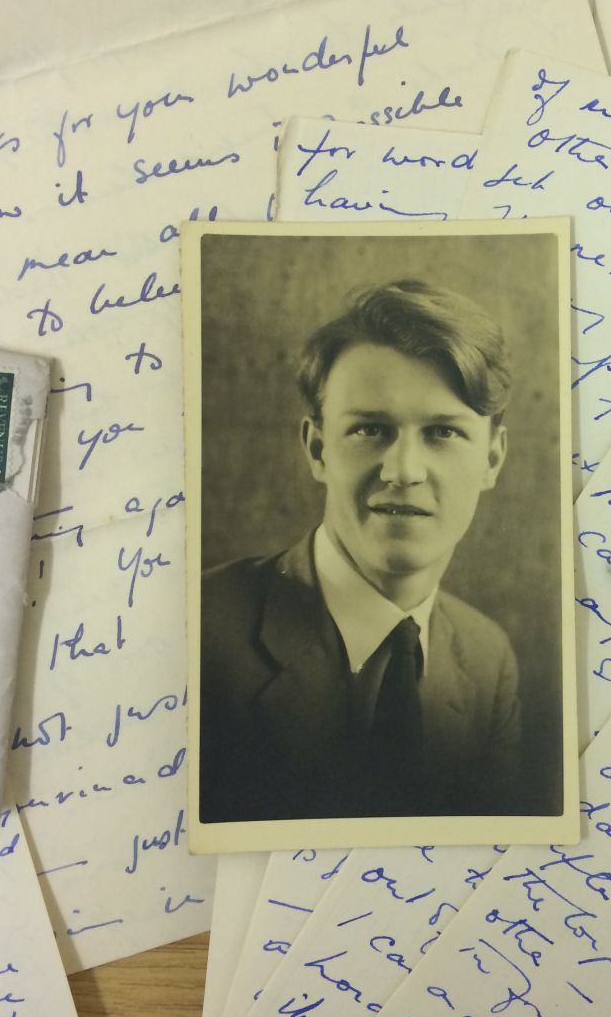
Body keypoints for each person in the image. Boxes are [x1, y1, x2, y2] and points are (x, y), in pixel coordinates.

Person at [199, 278, 522, 823]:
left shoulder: (487, 660)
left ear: (492, 460)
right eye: (371, 429)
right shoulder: (205, 628)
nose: (403, 472)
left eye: (443, 433)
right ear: (318, 450)